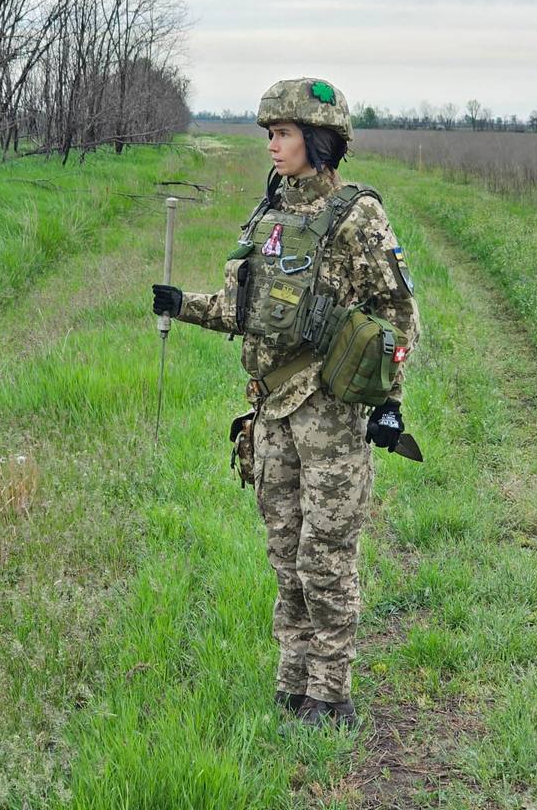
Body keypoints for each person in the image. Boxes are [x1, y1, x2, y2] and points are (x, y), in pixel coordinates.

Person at [153, 77, 420, 728]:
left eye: (284, 134)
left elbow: (398, 314)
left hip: (330, 411)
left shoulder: (358, 216)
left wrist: (389, 401)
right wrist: (181, 306)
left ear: (319, 141)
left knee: (325, 558)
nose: (273, 146)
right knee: (285, 554)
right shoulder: (267, 216)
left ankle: (331, 694)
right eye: (270, 135)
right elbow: (243, 311)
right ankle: (292, 680)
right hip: (271, 411)